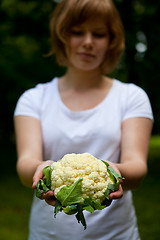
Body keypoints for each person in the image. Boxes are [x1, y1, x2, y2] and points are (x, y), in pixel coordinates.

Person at [14, 0, 153, 239]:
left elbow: (137, 167)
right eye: (77, 32)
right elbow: (25, 162)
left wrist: (113, 172)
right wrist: (41, 170)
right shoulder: (34, 99)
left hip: (115, 234)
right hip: (48, 234)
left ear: (111, 41)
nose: (88, 42)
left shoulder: (131, 97)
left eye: (98, 34)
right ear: (61, 36)